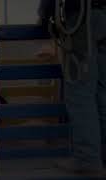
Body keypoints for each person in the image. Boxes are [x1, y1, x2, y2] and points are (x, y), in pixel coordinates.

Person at [38, 0, 106, 175]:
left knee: (80, 94)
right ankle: (100, 155)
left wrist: (45, 19)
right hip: (101, 16)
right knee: (102, 92)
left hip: (81, 20)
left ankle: (87, 158)